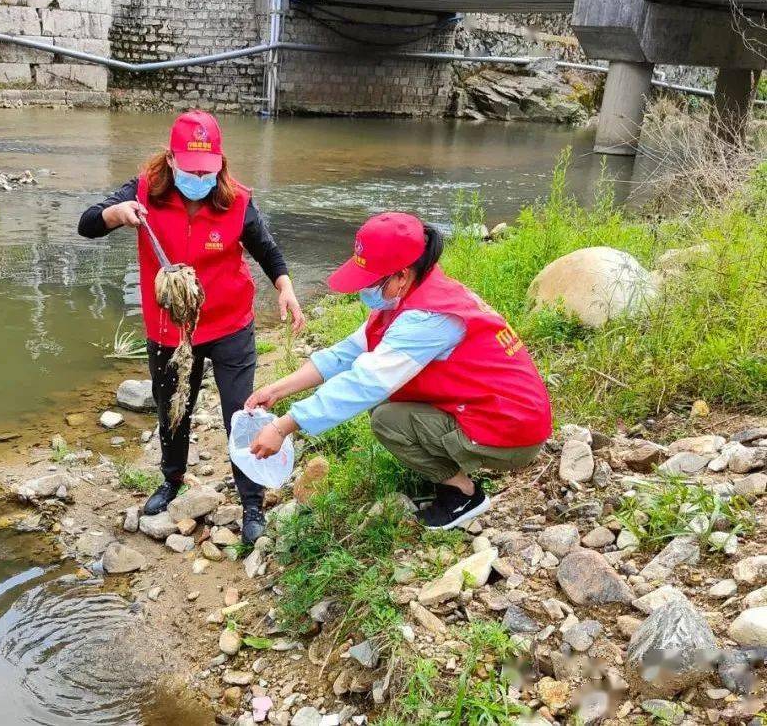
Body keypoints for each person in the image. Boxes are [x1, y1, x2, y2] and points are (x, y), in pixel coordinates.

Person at [78, 110, 303, 542]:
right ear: (172, 160)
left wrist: (286, 287)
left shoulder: (236, 199)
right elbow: (87, 223)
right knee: (172, 410)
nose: (199, 176)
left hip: (230, 323)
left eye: (207, 169)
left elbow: (266, 250)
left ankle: (251, 503)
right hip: (170, 329)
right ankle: (172, 479)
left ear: (219, 163)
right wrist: (115, 215)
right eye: (190, 168)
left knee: (242, 412)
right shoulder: (143, 192)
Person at [245, 212, 551, 530]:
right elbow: (343, 355)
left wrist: (282, 427)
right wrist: (276, 390)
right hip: (495, 409)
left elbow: (364, 383)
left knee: (387, 419)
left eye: (371, 282)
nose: (363, 292)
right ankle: (456, 467)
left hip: (513, 430)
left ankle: (463, 494)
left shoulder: (427, 318)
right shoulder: (411, 296)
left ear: (402, 276)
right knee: (385, 403)